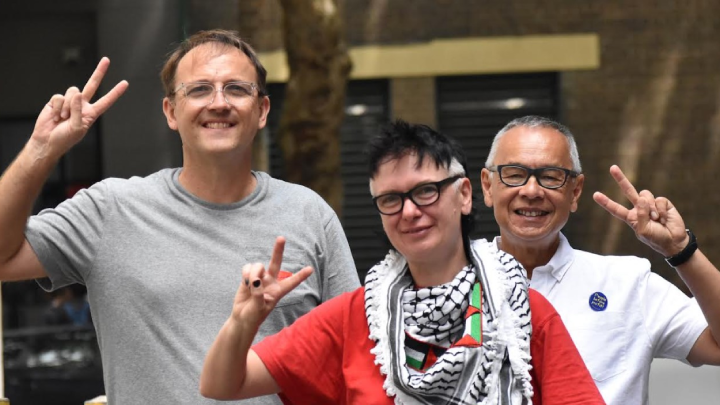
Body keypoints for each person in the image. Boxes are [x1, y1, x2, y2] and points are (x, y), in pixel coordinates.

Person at [0, 29, 359, 404]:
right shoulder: (110, 210)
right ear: (171, 111)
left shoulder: (309, 214)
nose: (219, 103)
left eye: (236, 89)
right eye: (199, 89)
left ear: (263, 111)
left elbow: (355, 358)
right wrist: (41, 150)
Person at [200, 120, 604, 404]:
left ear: (464, 195)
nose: (410, 212)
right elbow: (221, 384)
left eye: (426, 191)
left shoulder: (524, 312)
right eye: (391, 199)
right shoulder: (353, 318)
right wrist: (243, 320)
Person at [480, 115, 720, 405]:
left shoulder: (626, 283)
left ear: (575, 191)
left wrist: (682, 250)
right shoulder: (450, 283)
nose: (532, 191)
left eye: (551, 176)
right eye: (515, 174)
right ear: (487, 186)